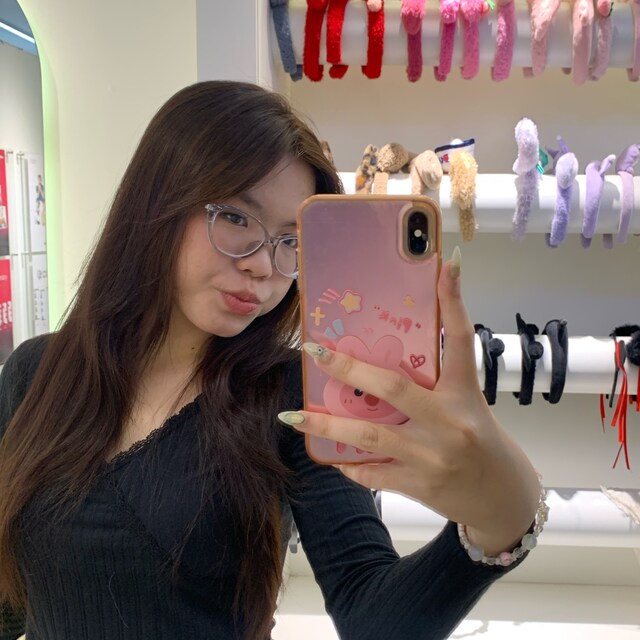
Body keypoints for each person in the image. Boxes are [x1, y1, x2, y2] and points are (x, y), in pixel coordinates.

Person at [0, 81, 543, 640]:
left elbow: (372, 617)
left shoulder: (292, 396)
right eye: (237, 218)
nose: (265, 266)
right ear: (157, 202)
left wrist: (499, 524)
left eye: (291, 241)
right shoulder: (34, 375)